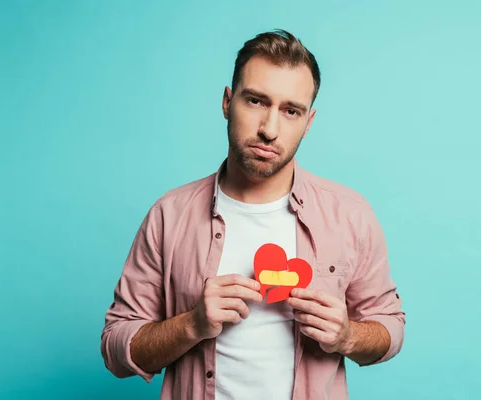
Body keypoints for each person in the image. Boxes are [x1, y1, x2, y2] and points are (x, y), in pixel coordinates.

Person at [100, 29, 406, 400]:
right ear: (228, 102)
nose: (269, 129)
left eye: (290, 110)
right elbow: (116, 349)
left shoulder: (350, 215)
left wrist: (348, 336)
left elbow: (390, 327)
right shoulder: (169, 215)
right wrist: (192, 325)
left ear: (308, 122)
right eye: (257, 101)